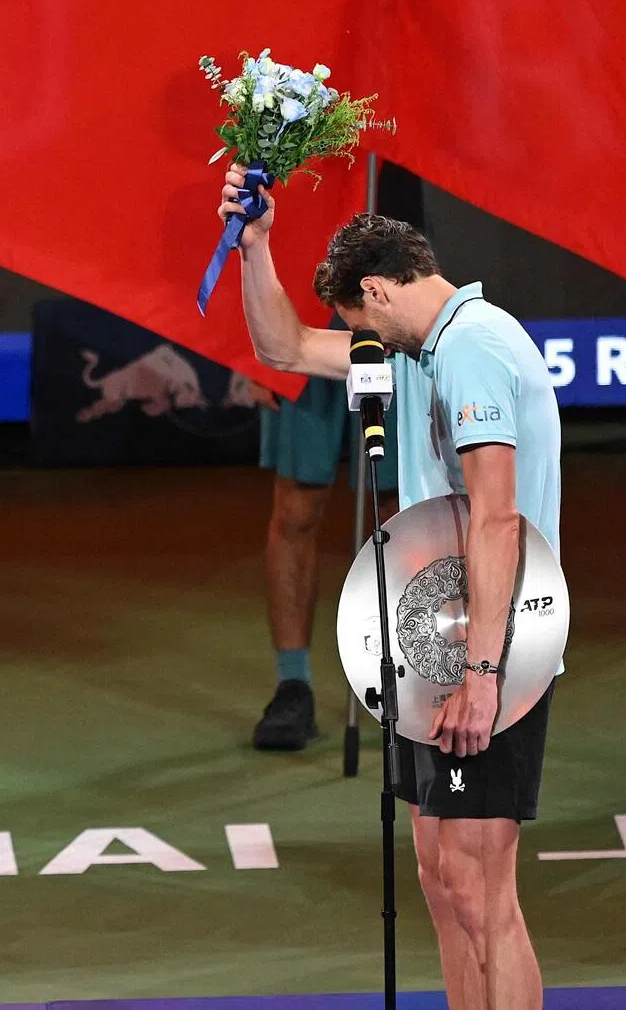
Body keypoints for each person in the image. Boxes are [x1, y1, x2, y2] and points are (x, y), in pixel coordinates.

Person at [220, 163, 561, 1010]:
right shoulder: (421, 349)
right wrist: (254, 246)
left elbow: (497, 519)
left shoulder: (473, 349)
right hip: (430, 638)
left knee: (484, 894)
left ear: (377, 288)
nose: (357, 335)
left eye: (358, 318)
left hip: (493, 645)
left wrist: (481, 678)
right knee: (443, 885)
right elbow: (285, 348)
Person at [250, 372, 398, 751]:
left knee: (397, 510)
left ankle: (410, 676)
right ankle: (293, 685)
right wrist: (254, 352)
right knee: (296, 506)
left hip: (394, 335)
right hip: (304, 329)